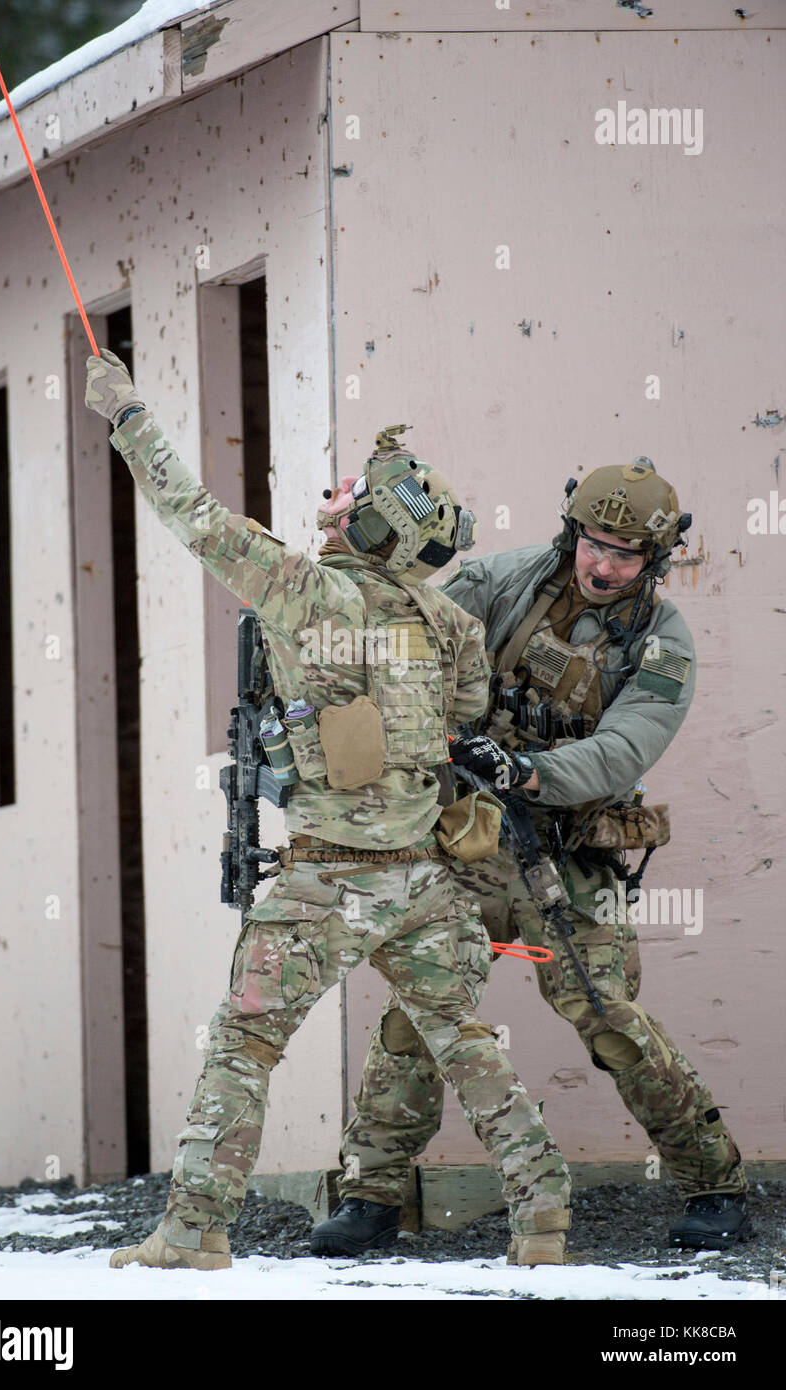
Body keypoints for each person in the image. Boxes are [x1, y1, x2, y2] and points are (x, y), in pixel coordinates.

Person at [84, 349, 572, 1272]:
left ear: (379, 524)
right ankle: (542, 1214)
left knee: (243, 1040)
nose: (332, 502)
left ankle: (193, 1230)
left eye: (352, 499)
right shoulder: (451, 623)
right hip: (423, 882)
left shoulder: (303, 590)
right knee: (464, 1041)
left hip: (322, 878)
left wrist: (126, 414)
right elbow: (466, 715)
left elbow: (191, 514)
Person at [313, 460, 751, 1256]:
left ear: (653, 559)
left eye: (624, 553)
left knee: (611, 1021)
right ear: (572, 532)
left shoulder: (664, 642)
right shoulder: (503, 580)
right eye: (594, 543)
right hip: (468, 839)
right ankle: (371, 1196)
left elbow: (624, 748)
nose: (603, 565)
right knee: (420, 1014)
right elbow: (412, 641)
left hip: (568, 854)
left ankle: (715, 1183)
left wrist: (528, 771)